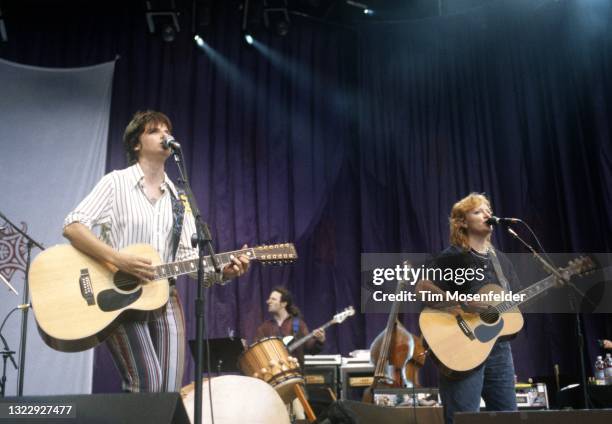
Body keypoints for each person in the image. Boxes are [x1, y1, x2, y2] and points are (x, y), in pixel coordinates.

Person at [63, 110, 250, 392]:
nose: (165, 134)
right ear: (136, 144)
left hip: (165, 296)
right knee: (146, 384)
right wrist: (119, 259)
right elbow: (73, 227)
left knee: (168, 390)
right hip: (117, 297)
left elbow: (188, 258)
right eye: (154, 130)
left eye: (167, 129)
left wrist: (223, 271)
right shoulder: (117, 183)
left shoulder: (178, 197)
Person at [416, 193, 521, 424]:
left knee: (508, 419)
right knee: (462, 419)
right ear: (462, 222)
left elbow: (513, 304)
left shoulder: (501, 261)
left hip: (499, 350)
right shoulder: (452, 257)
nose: (487, 214)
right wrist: (462, 302)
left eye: (488, 210)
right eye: (478, 211)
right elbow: (422, 289)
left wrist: (554, 281)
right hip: (462, 347)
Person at [255, 286, 325, 368]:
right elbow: (259, 353)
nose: (268, 301)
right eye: (269, 299)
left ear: (284, 304)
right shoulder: (264, 328)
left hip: (296, 374)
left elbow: (311, 350)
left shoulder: (298, 324)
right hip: (274, 375)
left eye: (273, 299)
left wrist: (320, 340)